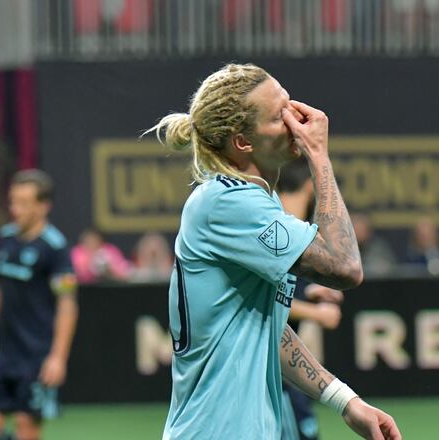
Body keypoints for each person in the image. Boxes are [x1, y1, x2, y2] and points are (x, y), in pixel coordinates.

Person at [146, 63, 400, 440]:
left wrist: (345, 401)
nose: (297, 118)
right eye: (279, 113)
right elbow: (346, 267)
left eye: (290, 103)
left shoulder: (247, 203)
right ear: (242, 142)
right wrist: (319, 157)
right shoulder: (228, 202)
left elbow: (268, 330)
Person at [0, 169, 79, 440]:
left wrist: (58, 357)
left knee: (27, 429)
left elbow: (67, 304)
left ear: (43, 206)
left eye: (23, 203)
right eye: (12, 201)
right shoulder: (6, 238)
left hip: (37, 356)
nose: (15, 209)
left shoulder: (54, 247)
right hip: (6, 354)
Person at [278, 157, 345, 440]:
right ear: (310, 187)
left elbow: (279, 285)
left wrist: (309, 289)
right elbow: (262, 303)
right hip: (269, 375)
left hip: (283, 372)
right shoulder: (281, 226)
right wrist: (317, 314)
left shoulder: (283, 224)